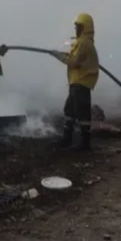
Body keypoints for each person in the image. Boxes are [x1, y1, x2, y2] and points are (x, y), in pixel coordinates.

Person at [53, 13, 99, 151]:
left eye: (78, 26)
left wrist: (58, 56)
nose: (76, 29)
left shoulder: (83, 43)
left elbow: (74, 62)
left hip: (81, 82)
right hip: (77, 81)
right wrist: (64, 55)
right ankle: (67, 138)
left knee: (82, 112)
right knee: (70, 109)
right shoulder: (83, 42)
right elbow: (75, 57)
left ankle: (85, 143)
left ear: (85, 27)